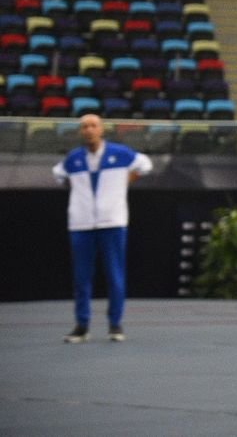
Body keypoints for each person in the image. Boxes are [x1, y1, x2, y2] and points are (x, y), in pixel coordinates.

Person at [53, 113, 152, 343]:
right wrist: (80, 193)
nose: (88, 130)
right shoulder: (73, 158)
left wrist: (128, 179)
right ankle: (82, 326)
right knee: (81, 277)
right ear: (80, 131)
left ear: (101, 130)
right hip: (81, 223)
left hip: (112, 222)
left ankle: (115, 325)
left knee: (114, 274)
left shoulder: (120, 153)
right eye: (84, 126)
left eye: (93, 126)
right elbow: (58, 174)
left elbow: (146, 164)